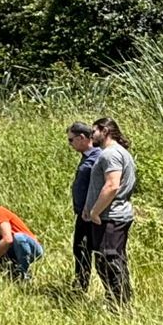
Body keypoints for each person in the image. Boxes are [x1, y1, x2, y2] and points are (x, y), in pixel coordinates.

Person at [83, 116, 137, 308]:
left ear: (104, 131)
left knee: (109, 261)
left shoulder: (110, 154)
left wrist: (95, 212)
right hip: (112, 215)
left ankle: (118, 305)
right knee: (113, 260)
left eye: (94, 131)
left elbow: (112, 185)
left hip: (110, 216)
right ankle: (119, 301)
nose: (91, 135)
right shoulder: (118, 153)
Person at [66, 121, 102, 292]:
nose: (70, 144)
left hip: (92, 213)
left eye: (71, 140)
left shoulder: (98, 157)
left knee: (93, 251)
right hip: (83, 213)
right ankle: (80, 284)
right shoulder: (87, 157)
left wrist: (92, 209)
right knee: (80, 249)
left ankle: (86, 286)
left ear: (82, 138)